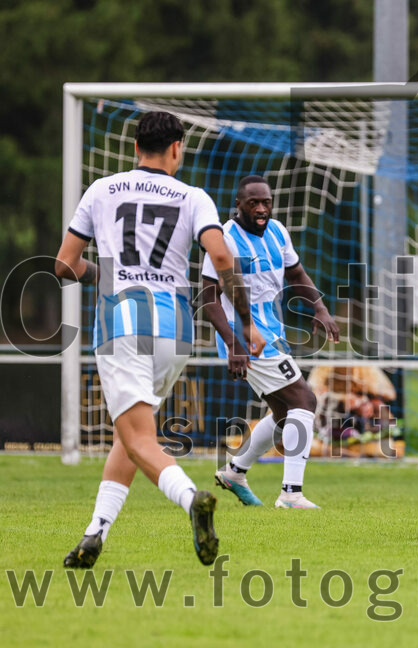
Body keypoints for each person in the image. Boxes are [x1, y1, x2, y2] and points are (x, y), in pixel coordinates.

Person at [57, 111, 265, 568]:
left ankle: (192, 499)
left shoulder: (101, 189)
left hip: (122, 322)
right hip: (175, 329)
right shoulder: (193, 197)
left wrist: (106, 276)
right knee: (130, 436)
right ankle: (95, 533)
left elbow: (64, 265)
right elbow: (220, 253)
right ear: (176, 149)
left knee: (137, 438)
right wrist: (247, 323)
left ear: (135, 148)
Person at [203, 176, 340, 509]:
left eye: (266, 201)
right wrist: (233, 344)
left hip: (272, 333)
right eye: (253, 203)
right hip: (246, 340)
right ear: (239, 205)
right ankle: (291, 494)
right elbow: (207, 298)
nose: (261, 209)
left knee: (283, 412)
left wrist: (320, 307)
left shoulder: (278, 231)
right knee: (304, 400)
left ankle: (236, 471)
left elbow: (296, 274)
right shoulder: (225, 240)